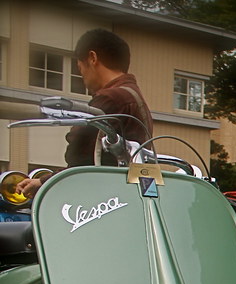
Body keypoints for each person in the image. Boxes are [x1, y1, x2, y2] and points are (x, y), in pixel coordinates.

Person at [16, 28, 153, 198]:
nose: (83, 79)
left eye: (81, 70)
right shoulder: (134, 96)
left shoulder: (111, 98)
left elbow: (79, 155)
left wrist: (45, 182)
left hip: (105, 198)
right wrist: (42, 180)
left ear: (92, 58)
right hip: (130, 194)